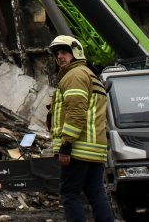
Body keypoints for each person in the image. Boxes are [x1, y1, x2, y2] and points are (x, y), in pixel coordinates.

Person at [49, 35, 115, 222]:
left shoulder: (75, 75)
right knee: (96, 195)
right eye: (57, 54)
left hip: (78, 148)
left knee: (70, 194)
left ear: (75, 53)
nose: (60, 57)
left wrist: (66, 145)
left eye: (64, 52)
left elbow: (76, 112)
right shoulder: (89, 75)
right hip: (94, 149)